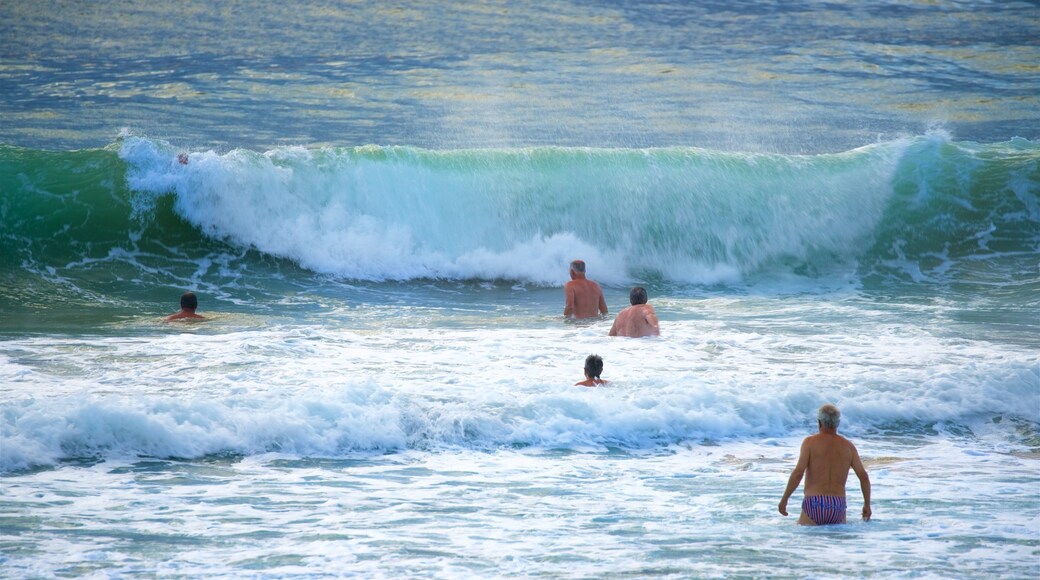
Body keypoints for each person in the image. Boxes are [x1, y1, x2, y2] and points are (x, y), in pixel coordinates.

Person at [778, 404, 872, 525]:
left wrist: (784, 499)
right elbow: (863, 477)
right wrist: (867, 505)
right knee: (833, 542)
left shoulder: (809, 443)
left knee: (808, 542)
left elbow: (798, 473)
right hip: (837, 505)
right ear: (838, 423)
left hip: (814, 503)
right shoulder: (848, 446)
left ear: (819, 422)